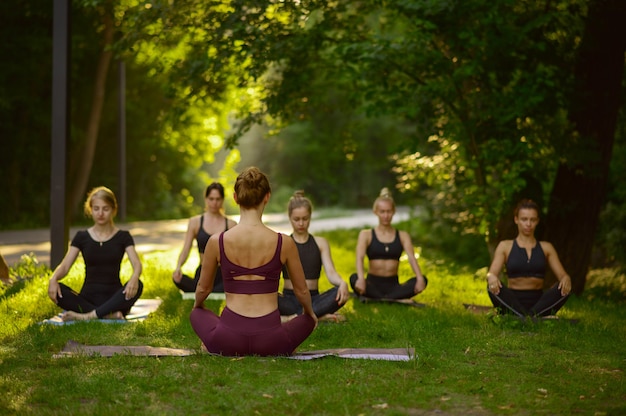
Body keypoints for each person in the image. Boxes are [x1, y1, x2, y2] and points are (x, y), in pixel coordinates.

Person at [190, 167, 317, 356]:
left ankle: (212, 341)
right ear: (267, 197)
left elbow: (203, 289)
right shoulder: (285, 242)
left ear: (235, 197)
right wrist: (310, 314)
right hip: (272, 341)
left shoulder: (217, 241)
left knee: (196, 314)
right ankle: (287, 342)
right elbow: (302, 291)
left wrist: (198, 307)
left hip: (227, 340)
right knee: (308, 320)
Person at [47, 186, 143, 321]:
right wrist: (53, 279)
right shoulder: (81, 237)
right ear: (90, 210)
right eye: (96, 208)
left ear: (113, 210)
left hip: (115, 298)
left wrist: (134, 277)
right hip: (88, 298)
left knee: (138, 285)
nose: (100, 213)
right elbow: (65, 266)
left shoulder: (123, 236)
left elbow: (137, 264)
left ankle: (88, 316)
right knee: (58, 289)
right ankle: (107, 315)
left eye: (105, 208)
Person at [486, 199, 571, 318]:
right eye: (524, 219)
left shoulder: (547, 247)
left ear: (537, 221)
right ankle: (534, 317)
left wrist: (566, 279)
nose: (528, 224)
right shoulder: (505, 246)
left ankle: (522, 317)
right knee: (490, 287)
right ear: (516, 220)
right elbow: (491, 273)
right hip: (513, 300)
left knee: (564, 287)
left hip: (539, 302)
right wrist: (491, 278)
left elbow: (563, 276)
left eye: (533, 220)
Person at [279, 191, 350, 319]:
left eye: (305, 219)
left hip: (314, 300)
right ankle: (318, 317)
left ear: (310, 217)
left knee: (338, 292)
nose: (301, 223)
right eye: (296, 219)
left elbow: (331, 273)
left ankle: (295, 317)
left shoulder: (321, 243)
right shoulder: (283, 243)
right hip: (289, 300)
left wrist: (342, 283)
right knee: (266, 297)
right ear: (289, 218)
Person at [350, 188, 428, 299]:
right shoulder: (366, 234)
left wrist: (419, 278)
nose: (386, 215)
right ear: (375, 212)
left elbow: (411, 258)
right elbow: (360, 258)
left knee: (423, 279)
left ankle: (380, 298)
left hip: (393, 285)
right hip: (372, 284)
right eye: (382, 212)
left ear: (394, 211)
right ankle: (392, 298)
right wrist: (361, 279)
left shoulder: (402, 235)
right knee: (354, 278)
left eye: (389, 211)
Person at [173, 182, 237, 293]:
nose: (214, 203)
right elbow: (186, 249)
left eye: (218, 199)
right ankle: (206, 290)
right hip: (203, 272)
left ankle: (208, 290)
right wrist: (178, 267)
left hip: (222, 274)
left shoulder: (231, 224)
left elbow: (236, 254)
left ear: (222, 200)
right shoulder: (195, 222)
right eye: (211, 199)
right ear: (206, 199)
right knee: (178, 279)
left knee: (232, 284)